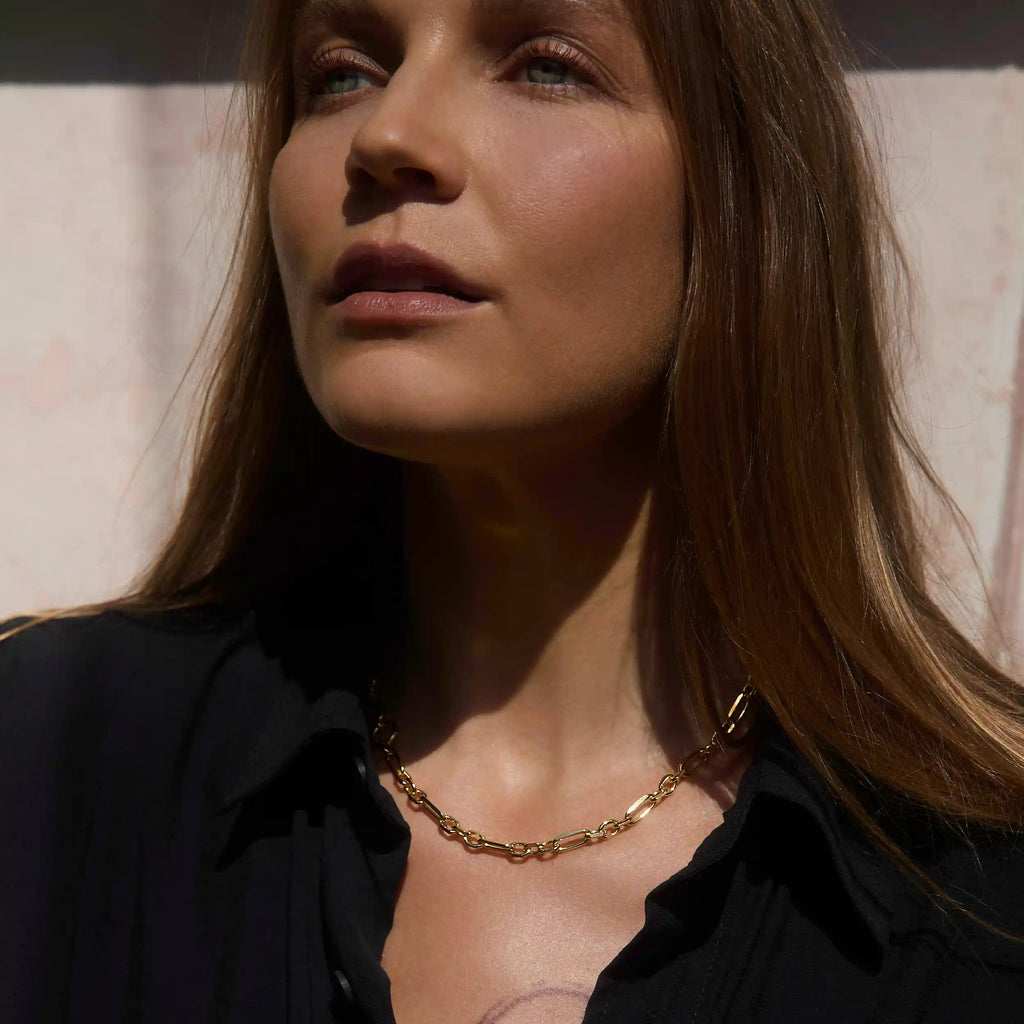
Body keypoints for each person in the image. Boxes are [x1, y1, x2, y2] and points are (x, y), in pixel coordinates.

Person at [2, 0, 1023, 1021]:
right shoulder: (44, 767)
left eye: (546, 66)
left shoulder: (982, 909)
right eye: (343, 73)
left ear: (740, 182)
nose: (386, 136)